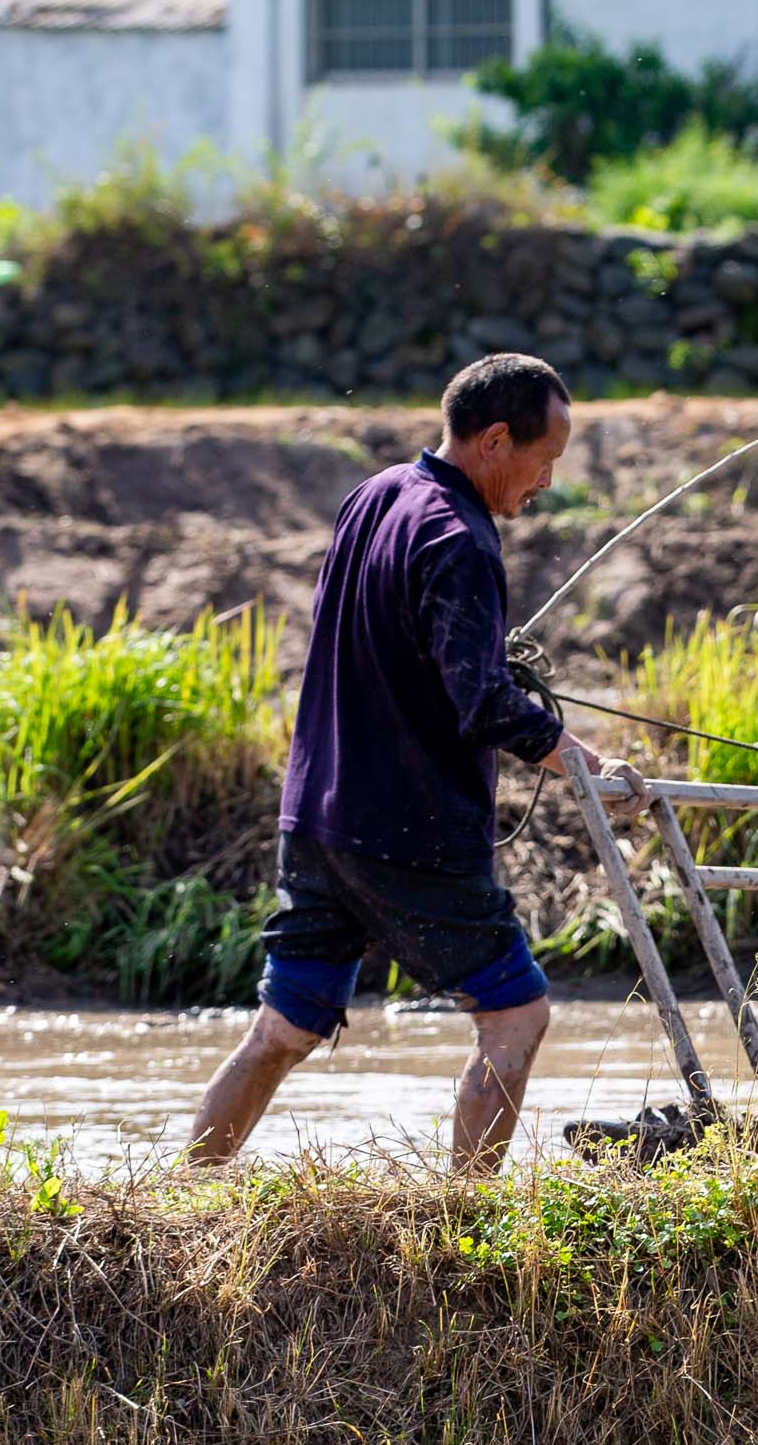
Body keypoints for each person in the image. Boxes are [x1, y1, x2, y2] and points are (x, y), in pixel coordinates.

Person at [186, 354, 643, 1175]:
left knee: (283, 1027)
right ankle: (466, 1223)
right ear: (498, 439)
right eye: (546, 459)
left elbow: (415, 649)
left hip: (319, 815)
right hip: (406, 826)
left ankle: (183, 1191)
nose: (547, 481)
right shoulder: (463, 539)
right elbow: (484, 707)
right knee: (517, 1015)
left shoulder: (378, 495)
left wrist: (477, 656)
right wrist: (586, 766)